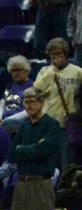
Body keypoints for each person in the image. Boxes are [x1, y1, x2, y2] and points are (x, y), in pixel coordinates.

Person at [8, 87, 61, 210]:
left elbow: (42, 151)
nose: (28, 105)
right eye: (25, 102)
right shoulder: (24, 127)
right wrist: (29, 150)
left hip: (41, 184)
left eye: (32, 101)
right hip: (21, 184)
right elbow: (12, 155)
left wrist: (22, 149)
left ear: (42, 102)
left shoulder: (52, 124)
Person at [34, 37, 82, 165]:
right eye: (53, 55)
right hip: (48, 123)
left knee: (67, 161)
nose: (56, 58)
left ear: (65, 54)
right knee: (49, 161)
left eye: (59, 54)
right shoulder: (45, 71)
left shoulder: (77, 71)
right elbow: (37, 91)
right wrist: (51, 70)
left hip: (69, 123)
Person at [0, 56, 34, 134]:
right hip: (4, 121)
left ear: (27, 71)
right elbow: (1, 106)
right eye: (13, 70)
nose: (16, 73)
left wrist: (7, 120)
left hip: (23, 122)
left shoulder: (33, 86)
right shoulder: (9, 86)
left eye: (19, 69)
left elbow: (29, 111)